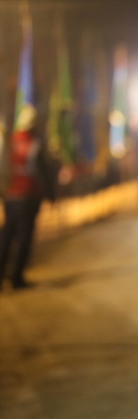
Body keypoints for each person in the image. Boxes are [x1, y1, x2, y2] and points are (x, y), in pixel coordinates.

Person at [0, 105, 55, 289]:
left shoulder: (9, 141)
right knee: (24, 238)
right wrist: (50, 195)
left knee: (6, 236)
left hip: (9, 197)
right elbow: (43, 172)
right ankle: (16, 278)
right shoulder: (35, 144)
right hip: (28, 197)